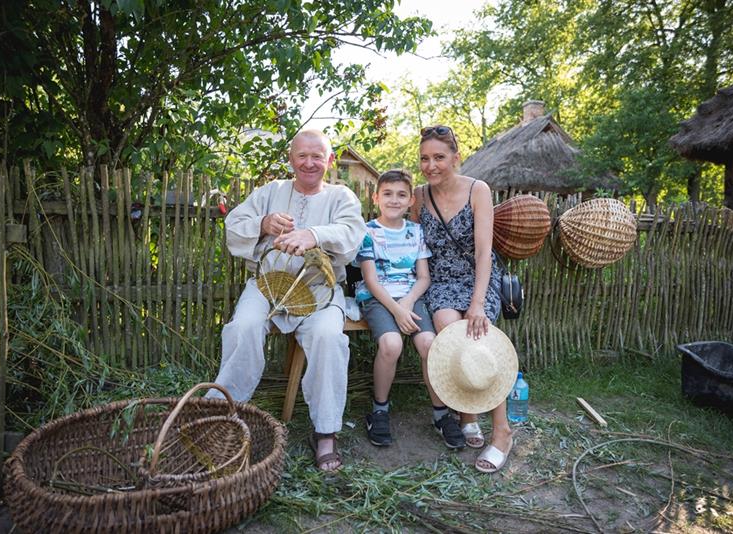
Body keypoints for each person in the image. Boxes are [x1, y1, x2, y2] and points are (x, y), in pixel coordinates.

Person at [206, 130, 366, 473]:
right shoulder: (271, 192)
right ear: (291, 159)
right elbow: (235, 225)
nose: (309, 163)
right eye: (302, 155)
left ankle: (325, 432)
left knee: (328, 337)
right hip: (268, 284)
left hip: (320, 289)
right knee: (244, 326)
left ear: (329, 160)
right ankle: (221, 413)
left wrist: (314, 234)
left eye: (317, 156)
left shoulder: (341, 197)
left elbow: (352, 235)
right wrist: (263, 224)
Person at [409, 125, 513, 474]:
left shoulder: (477, 190)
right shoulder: (419, 196)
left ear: (456, 157)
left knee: (475, 336)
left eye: (439, 157)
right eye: (425, 158)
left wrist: (478, 302)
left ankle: (502, 432)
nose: (431, 165)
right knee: (447, 327)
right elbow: (416, 250)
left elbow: (484, 253)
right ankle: (467, 413)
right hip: (440, 281)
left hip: (477, 278)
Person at [352, 169, 464, 449]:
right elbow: (370, 280)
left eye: (401, 195)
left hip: (411, 298)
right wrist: (396, 309)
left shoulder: (415, 232)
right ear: (376, 197)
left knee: (429, 344)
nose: (394, 200)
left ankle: (441, 414)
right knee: (391, 345)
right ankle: (379, 411)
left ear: (411, 200)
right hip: (379, 298)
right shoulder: (367, 232)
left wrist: (408, 302)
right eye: (387, 194)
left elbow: (424, 277)